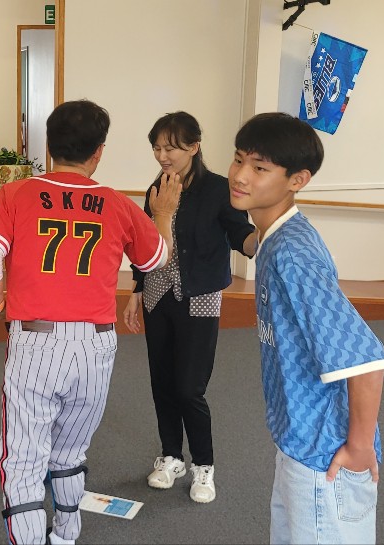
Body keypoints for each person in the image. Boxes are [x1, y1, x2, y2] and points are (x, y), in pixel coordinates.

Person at [0, 99, 179, 545]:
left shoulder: (17, 193)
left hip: (36, 341)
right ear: (98, 151)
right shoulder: (117, 203)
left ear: (49, 145)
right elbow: (158, 259)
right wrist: (163, 214)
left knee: (24, 461)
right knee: (69, 453)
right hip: (95, 344)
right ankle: (65, 536)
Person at [227, 112, 384, 544]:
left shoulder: (292, 255)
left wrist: (358, 449)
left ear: (297, 180)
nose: (240, 175)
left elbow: (366, 361)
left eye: (260, 167)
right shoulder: (274, 239)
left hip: (324, 456)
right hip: (299, 441)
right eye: (238, 159)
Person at [122, 112, 258, 503]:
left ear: (194, 147)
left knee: (190, 388)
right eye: (156, 148)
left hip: (200, 297)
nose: (162, 156)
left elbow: (240, 232)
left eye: (170, 148)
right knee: (162, 382)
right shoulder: (157, 188)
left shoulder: (218, 188)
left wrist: (262, 237)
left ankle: (203, 465)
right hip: (157, 296)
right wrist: (136, 290)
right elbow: (146, 245)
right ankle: (171, 456)